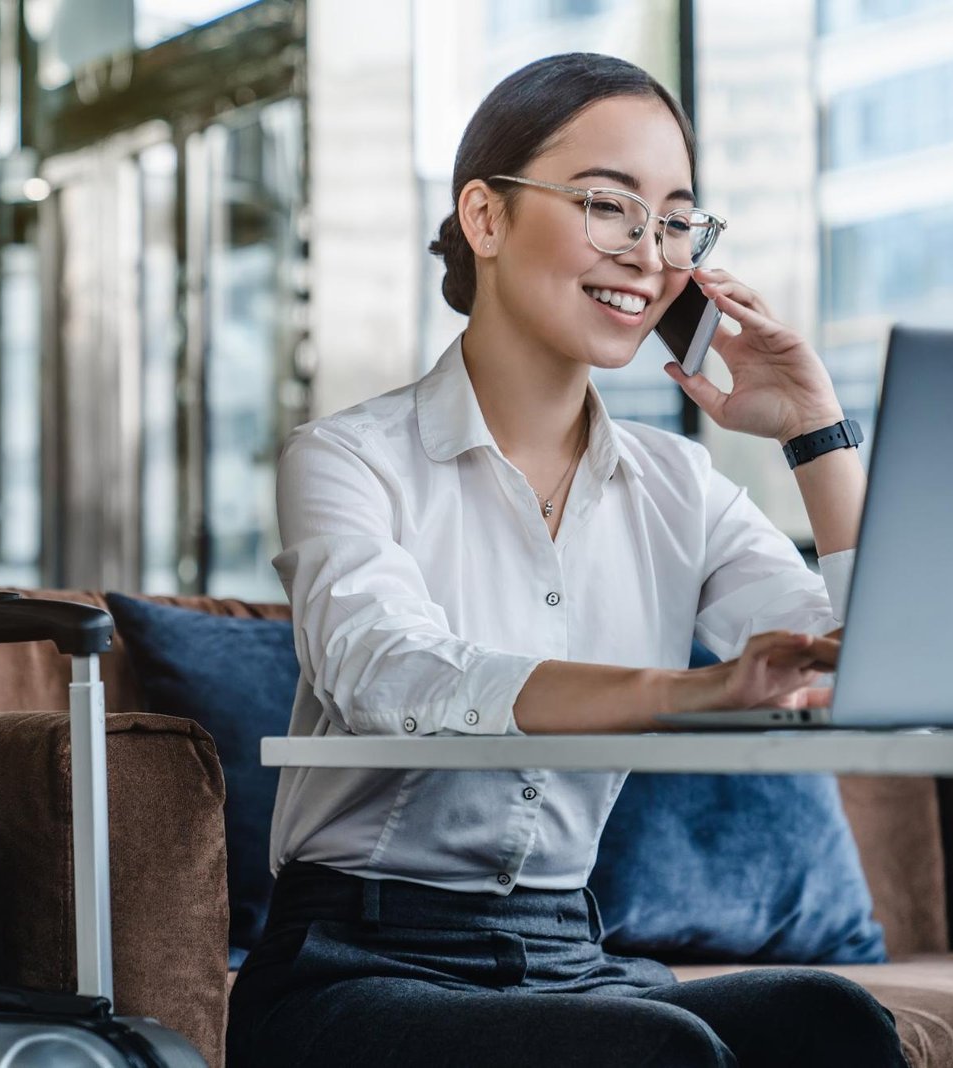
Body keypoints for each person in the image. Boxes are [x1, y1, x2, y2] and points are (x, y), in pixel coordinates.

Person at [226, 52, 907, 1068]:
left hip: (567, 954)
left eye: (673, 221)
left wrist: (813, 429)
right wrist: (693, 689)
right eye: (606, 205)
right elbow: (388, 676)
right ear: (484, 219)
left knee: (830, 1024)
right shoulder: (345, 459)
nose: (646, 252)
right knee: (653, 1051)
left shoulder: (681, 486)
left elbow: (868, 668)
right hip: (358, 966)